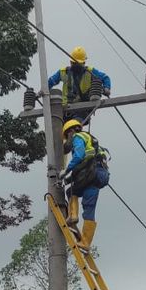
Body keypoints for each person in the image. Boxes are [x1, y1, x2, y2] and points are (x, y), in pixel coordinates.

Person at [60, 118, 110, 247]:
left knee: (71, 191)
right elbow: (87, 161)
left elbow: (79, 156)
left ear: (70, 132)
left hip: (90, 174)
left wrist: (66, 170)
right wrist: (70, 178)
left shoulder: (78, 137)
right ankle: (86, 242)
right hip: (98, 176)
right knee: (89, 208)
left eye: (67, 136)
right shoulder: (92, 141)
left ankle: (73, 216)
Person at [47, 45, 112, 121]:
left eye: (78, 64)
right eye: (74, 63)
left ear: (84, 63)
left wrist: (106, 88)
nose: (76, 66)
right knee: (60, 127)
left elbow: (105, 78)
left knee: (75, 125)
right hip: (65, 109)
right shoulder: (64, 72)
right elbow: (50, 82)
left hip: (82, 108)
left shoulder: (90, 72)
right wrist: (44, 92)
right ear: (70, 62)